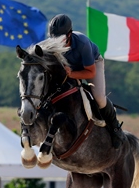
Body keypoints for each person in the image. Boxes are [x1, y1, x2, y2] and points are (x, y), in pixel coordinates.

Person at [48, 14, 125, 149]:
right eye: (54, 39)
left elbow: (90, 72)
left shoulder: (82, 43)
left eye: (60, 39)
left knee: (99, 97)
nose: (56, 43)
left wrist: (71, 74)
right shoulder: (51, 45)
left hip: (92, 65)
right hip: (70, 68)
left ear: (69, 34)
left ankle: (115, 128)